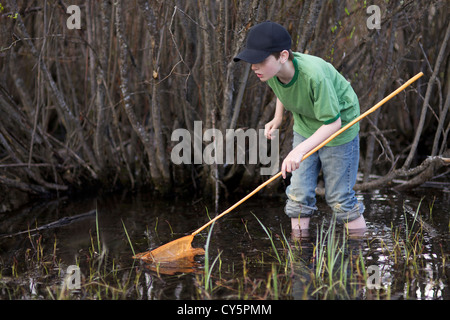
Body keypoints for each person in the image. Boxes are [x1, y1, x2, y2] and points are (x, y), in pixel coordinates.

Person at [234, 21, 366, 234]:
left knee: (340, 199)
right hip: (306, 124)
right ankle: (299, 257)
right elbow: (283, 89)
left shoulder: (314, 76)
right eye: (251, 61)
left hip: (339, 128)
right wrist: (278, 117)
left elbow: (333, 123)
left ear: (283, 56)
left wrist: (299, 151)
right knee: (298, 194)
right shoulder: (269, 72)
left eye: (259, 60)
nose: (253, 67)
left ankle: (359, 251)